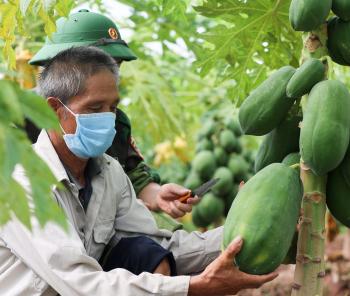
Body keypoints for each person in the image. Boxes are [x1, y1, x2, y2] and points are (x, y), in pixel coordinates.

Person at [0, 46, 277, 295]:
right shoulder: (20, 182)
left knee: (144, 252)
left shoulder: (110, 173)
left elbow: (165, 247)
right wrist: (194, 287)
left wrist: (247, 230)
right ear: (54, 110)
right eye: (94, 108)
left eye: (113, 107)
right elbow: (80, 283)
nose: (108, 118)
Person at [26, 9, 197, 224]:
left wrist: (158, 196)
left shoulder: (113, 120)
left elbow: (134, 176)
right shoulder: (14, 118)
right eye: (99, 63)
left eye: (116, 66)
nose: (110, 74)